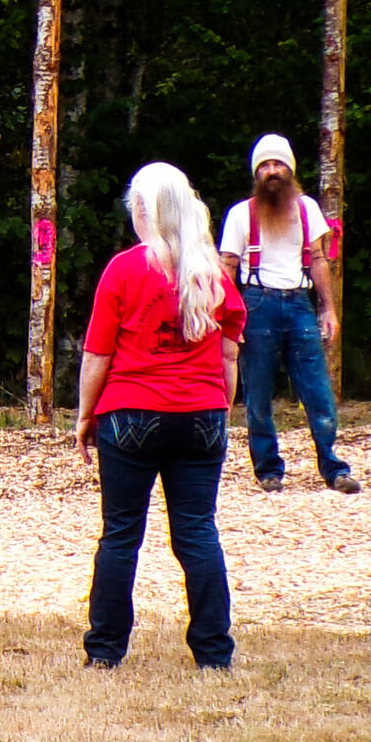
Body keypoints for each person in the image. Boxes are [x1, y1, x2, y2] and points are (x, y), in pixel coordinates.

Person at [73, 162, 246, 672]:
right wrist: (219, 411)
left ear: (143, 210)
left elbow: (98, 354)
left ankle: (105, 651)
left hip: (129, 415)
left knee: (121, 534)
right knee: (197, 532)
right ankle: (214, 654)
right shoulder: (212, 272)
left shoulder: (125, 269)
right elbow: (229, 357)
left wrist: (86, 416)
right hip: (200, 415)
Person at [218, 133, 360, 494]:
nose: (272, 171)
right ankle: (268, 470)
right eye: (264, 165)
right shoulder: (240, 214)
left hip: (299, 303)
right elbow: (227, 267)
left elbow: (317, 259)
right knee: (258, 393)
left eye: (278, 163)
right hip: (256, 304)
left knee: (317, 390)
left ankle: (334, 467)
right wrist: (229, 319)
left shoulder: (307, 209)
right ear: (256, 173)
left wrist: (328, 309)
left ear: (291, 169)